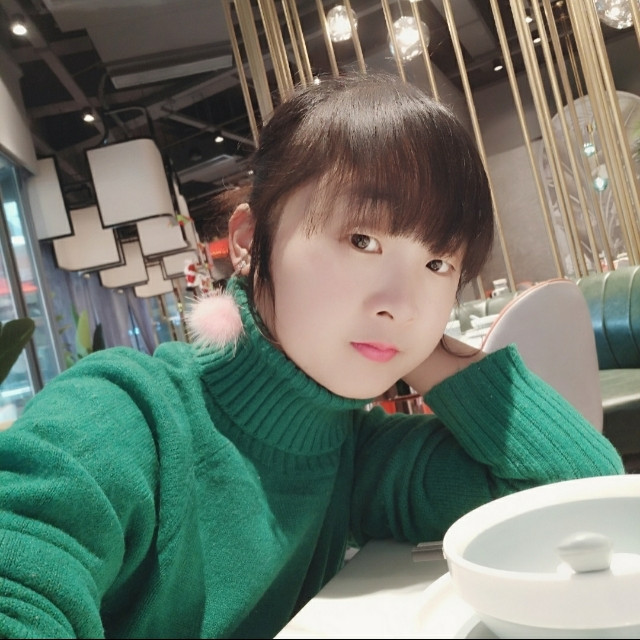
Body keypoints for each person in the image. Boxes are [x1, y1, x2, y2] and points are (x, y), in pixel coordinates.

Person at [0, 73, 623, 639]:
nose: (402, 303)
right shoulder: (122, 418)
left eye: (438, 263)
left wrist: (427, 352)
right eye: (363, 239)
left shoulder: (353, 453)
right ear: (250, 242)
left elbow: (577, 492)